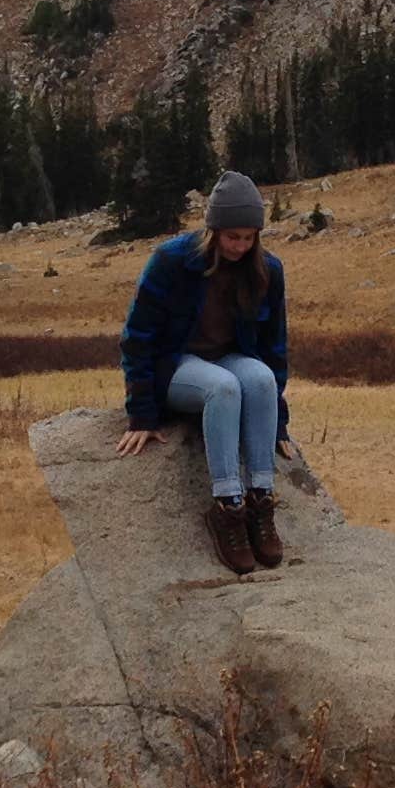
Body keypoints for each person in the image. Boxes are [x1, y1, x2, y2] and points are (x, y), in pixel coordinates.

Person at [116, 169, 292, 575]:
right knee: (223, 388)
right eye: (232, 237)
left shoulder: (268, 270)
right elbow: (137, 337)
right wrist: (142, 414)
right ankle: (227, 507)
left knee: (261, 378)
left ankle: (260, 498)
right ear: (213, 230)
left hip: (229, 357)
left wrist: (277, 423)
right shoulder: (170, 261)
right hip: (177, 364)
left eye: (249, 238)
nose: (240, 246)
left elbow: (274, 347)